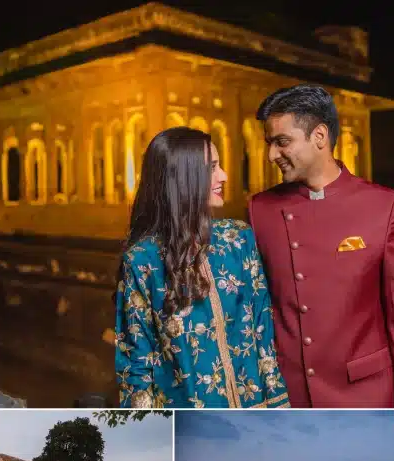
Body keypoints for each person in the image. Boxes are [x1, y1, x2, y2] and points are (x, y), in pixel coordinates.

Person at [249, 85, 394, 409]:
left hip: (366, 399)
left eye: (282, 141)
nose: (271, 155)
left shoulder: (384, 206)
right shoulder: (260, 210)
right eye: (269, 143)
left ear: (319, 136)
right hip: (289, 404)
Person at [115, 126, 290, 409]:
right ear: (183, 177)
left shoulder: (238, 239)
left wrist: (278, 407)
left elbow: (262, 331)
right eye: (212, 168)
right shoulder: (143, 261)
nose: (224, 176)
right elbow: (136, 361)